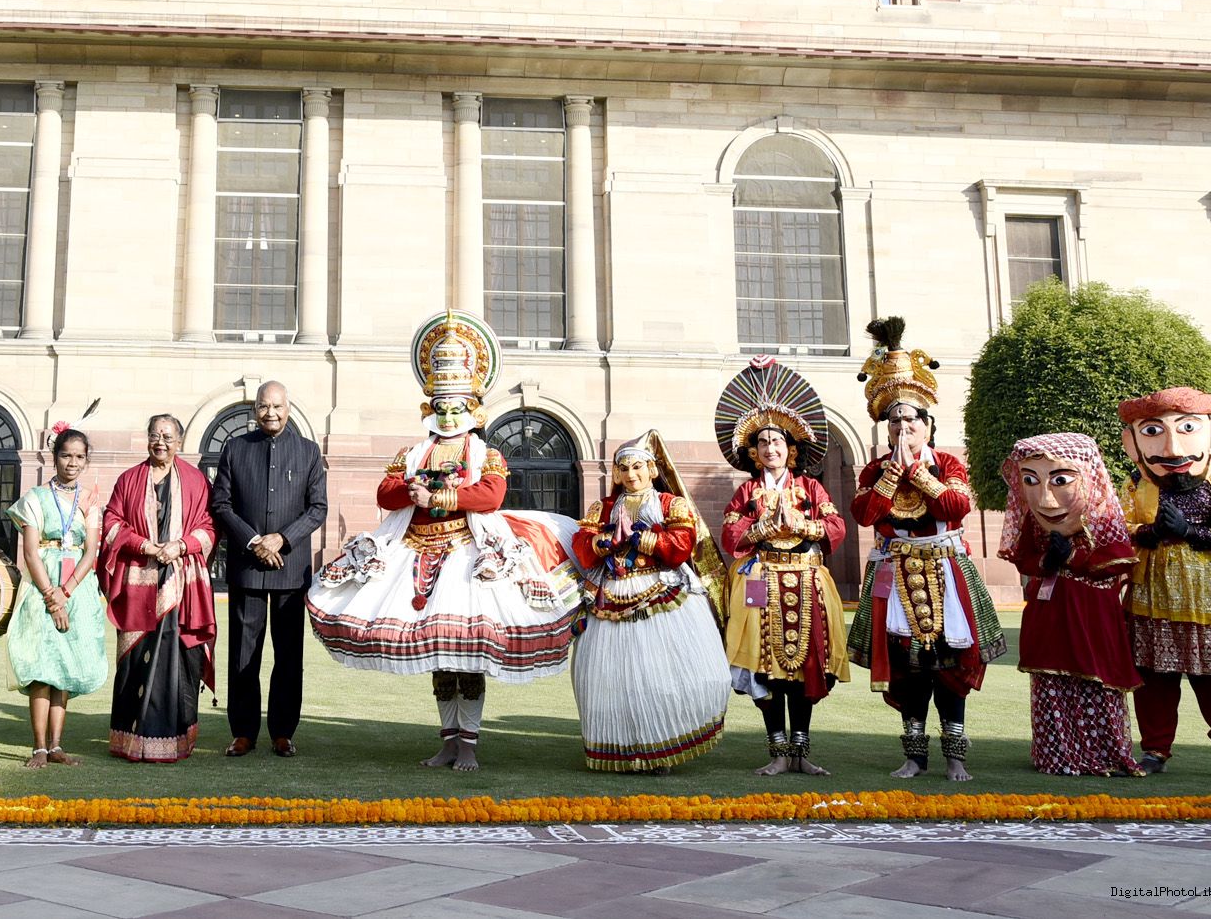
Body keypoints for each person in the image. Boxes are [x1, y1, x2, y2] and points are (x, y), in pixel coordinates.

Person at [308, 310, 581, 773]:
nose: (449, 416)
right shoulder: (413, 452)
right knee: (439, 658)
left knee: (466, 655)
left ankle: (469, 744)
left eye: (456, 408)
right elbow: (386, 492)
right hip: (415, 551)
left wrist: (437, 496)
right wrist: (413, 490)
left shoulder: (486, 452)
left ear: (473, 409)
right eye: (442, 408)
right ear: (429, 408)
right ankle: (448, 741)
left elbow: (490, 495)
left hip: (466, 555)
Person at [845, 317, 1005, 782]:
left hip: (945, 569)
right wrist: (893, 474)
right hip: (895, 570)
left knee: (949, 661)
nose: (901, 426)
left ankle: (956, 755)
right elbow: (865, 514)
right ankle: (914, 756)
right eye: (893, 420)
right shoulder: (875, 470)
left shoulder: (948, 463)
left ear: (928, 425)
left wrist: (917, 473)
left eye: (910, 419)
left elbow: (956, 505)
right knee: (908, 664)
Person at [1119, 387, 1211, 780]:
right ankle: (1154, 750)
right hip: (1153, 593)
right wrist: (1149, 532)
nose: (1172, 447)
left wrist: (1191, 532)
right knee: (1153, 676)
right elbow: (1121, 529)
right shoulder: (1135, 485)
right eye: (1153, 432)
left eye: (1187, 428)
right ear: (1132, 444)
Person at [714, 357, 849, 777]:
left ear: (790, 449)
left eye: (777, 441)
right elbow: (730, 536)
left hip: (807, 580)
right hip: (761, 581)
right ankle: (777, 751)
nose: (770, 448)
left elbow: (836, 527)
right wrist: (760, 529)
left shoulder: (810, 487)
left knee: (807, 665)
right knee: (764, 667)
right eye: (763, 442)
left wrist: (802, 524)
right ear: (754, 452)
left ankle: (800, 752)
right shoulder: (747, 492)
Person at [567, 434, 729, 773]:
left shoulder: (672, 504)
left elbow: (681, 546)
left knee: (660, 671)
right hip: (611, 592)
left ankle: (661, 745)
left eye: (638, 466)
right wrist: (606, 541)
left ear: (652, 469)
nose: (631, 474)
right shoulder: (603, 508)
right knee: (609, 675)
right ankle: (620, 745)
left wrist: (640, 538)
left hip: (661, 589)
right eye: (624, 468)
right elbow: (582, 543)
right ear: (616, 473)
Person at [999, 432, 1143, 776]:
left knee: (1098, 681)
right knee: (1051, 682)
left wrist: (1073, 557)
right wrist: (1047, 560)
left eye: (1060, 480)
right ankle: (1057, 753)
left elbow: (1118, 559)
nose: (1045, 498)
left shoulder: (1104, 517)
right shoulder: (1033, 524)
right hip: (1050, 611)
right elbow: (1024, 557)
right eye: (1030, 481)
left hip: (1092, 614)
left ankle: (1102, 753)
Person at [209, 380, 328, 758]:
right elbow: (221, 504)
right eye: (263, 406)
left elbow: (318, 508)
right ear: (254, 409)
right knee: (243, 654)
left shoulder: (308, 451)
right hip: (248, 568)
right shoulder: (235, 448)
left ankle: (282, 732)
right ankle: (243, 732)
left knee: (289, 655)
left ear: (287, 408)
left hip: (291, 569)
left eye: (277, 406)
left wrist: (281, 539)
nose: (270, 413)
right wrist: (254, 541)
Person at [99, 413, 217, 762]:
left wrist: (180, 546)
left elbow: (210, 528)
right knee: (135, 661)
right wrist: (145, 546)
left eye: (167, 436)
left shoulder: (196, 481)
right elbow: (111, 523)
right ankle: (130, 740)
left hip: (181, 583)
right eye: (155, 435)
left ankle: (174, 739)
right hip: (138, 582)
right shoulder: (128, 480)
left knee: (178, 661)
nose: (160, 442)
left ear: (179, 442)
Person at [5, 424, 106, 767]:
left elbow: (91, 551)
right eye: (66, 456)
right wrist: (51, 595)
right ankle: (38, 747)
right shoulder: (35, 498)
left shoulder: (90, 500)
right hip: (41, 586)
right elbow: (31, 552)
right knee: (41, 665)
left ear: (86, 460)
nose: (72, 463)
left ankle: (57, 745)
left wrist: (67, 592)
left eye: (79, 457)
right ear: (55, 457)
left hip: (77, 589)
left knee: (65, 665)